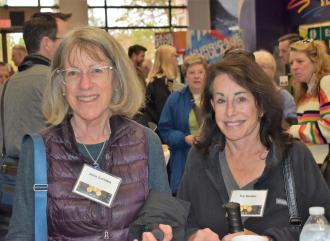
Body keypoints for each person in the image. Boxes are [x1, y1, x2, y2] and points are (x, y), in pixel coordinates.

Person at [6, 26, 172, 241]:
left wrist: (158, 232)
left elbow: (162, 218)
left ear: (115, 78)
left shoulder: (146, 141)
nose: (85, 84)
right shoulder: (39, 149)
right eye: (73, 73)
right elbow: (21, 233)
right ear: (62, 83)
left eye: (96, 70)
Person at [177, 54, 330, 241]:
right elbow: (180, 223)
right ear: (212, 106)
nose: (230, 111)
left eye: (241, 99)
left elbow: (324, 225)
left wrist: (270, 240)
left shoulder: (294, 156)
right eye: (221, 100)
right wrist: (192, 236)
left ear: (261, 106)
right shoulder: (200, 157)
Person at [0, 12, 71, 238]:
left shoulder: (9, 83)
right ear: (48, 44)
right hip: (45, 184)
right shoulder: (54, 81)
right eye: (63, 41)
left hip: (8, 184)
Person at [158, 54, 207, 194]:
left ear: (206, 74)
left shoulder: (217, 97)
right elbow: (164, 129)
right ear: (185, 76)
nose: (196, 76)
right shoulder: (175, 99)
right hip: (184, 159)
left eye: (200, 72)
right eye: (192, 73)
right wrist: (184, 138)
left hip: (213, 159)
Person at [289, 39, 330, 165]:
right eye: (291, 63)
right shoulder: (305, 92)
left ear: (316, 62)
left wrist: (293, 131)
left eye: (300, 61)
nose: (294, 67)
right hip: (313, 165)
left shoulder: (326, 82)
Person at [253, 49, 297, 127]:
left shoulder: (283, 96)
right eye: (255, 66)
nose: (259, 70)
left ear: (273, 69)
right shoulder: (246, 94)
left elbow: (293, 123)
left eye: (263, 66)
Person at [145, 44, 181, 128]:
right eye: (175, 56)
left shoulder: (163, 82)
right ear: (168, 59)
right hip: (163, 136)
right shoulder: (160, 83)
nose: (177, 59)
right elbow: (164, 115)